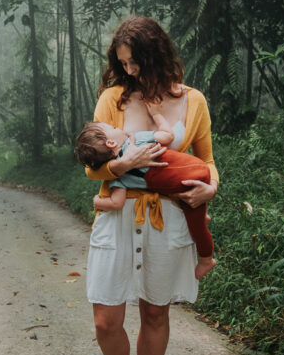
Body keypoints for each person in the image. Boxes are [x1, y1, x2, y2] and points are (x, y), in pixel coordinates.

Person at [82, 15, 218, 355]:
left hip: (167, 217)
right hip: (119, 214)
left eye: (135, 62)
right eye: (123, 63)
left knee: (155, 313)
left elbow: (207, 162)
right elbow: (92, 167)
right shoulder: (113, 98)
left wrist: (211, 188)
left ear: (155, 54)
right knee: (106, 317)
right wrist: (125, 162)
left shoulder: (193, 101)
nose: (129, 70)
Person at [73, 114, 216, 281]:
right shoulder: (138, 140)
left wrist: (98, 201)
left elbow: (116, 203)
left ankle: (206, 259)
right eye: (112, 129)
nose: (117, 127)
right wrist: (158, 117)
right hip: (193, 173)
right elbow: (168, 136)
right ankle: (205, 245)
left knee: (197, 225)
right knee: (179, 195)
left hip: (192, 178)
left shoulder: (118, 178)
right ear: (111, 143)